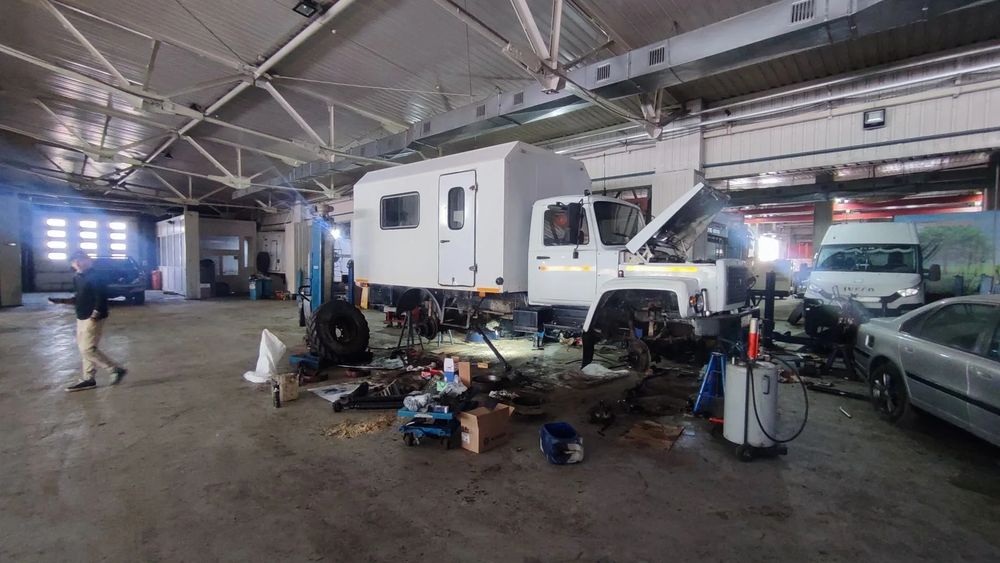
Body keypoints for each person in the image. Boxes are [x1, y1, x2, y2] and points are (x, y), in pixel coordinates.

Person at [64, 251, 127, 392]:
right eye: (74, 262)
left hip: (94, 316)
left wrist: (95, 314)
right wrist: (63, 301)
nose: (77, 264)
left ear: (88, 260)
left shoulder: (96, 276)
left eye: (79, 260)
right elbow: (79, 296)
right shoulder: (77, 277)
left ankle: (114, 369)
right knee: (84, 349)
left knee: (87, 348)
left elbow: (101, 297)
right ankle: (88, 378)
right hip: (81, 316)